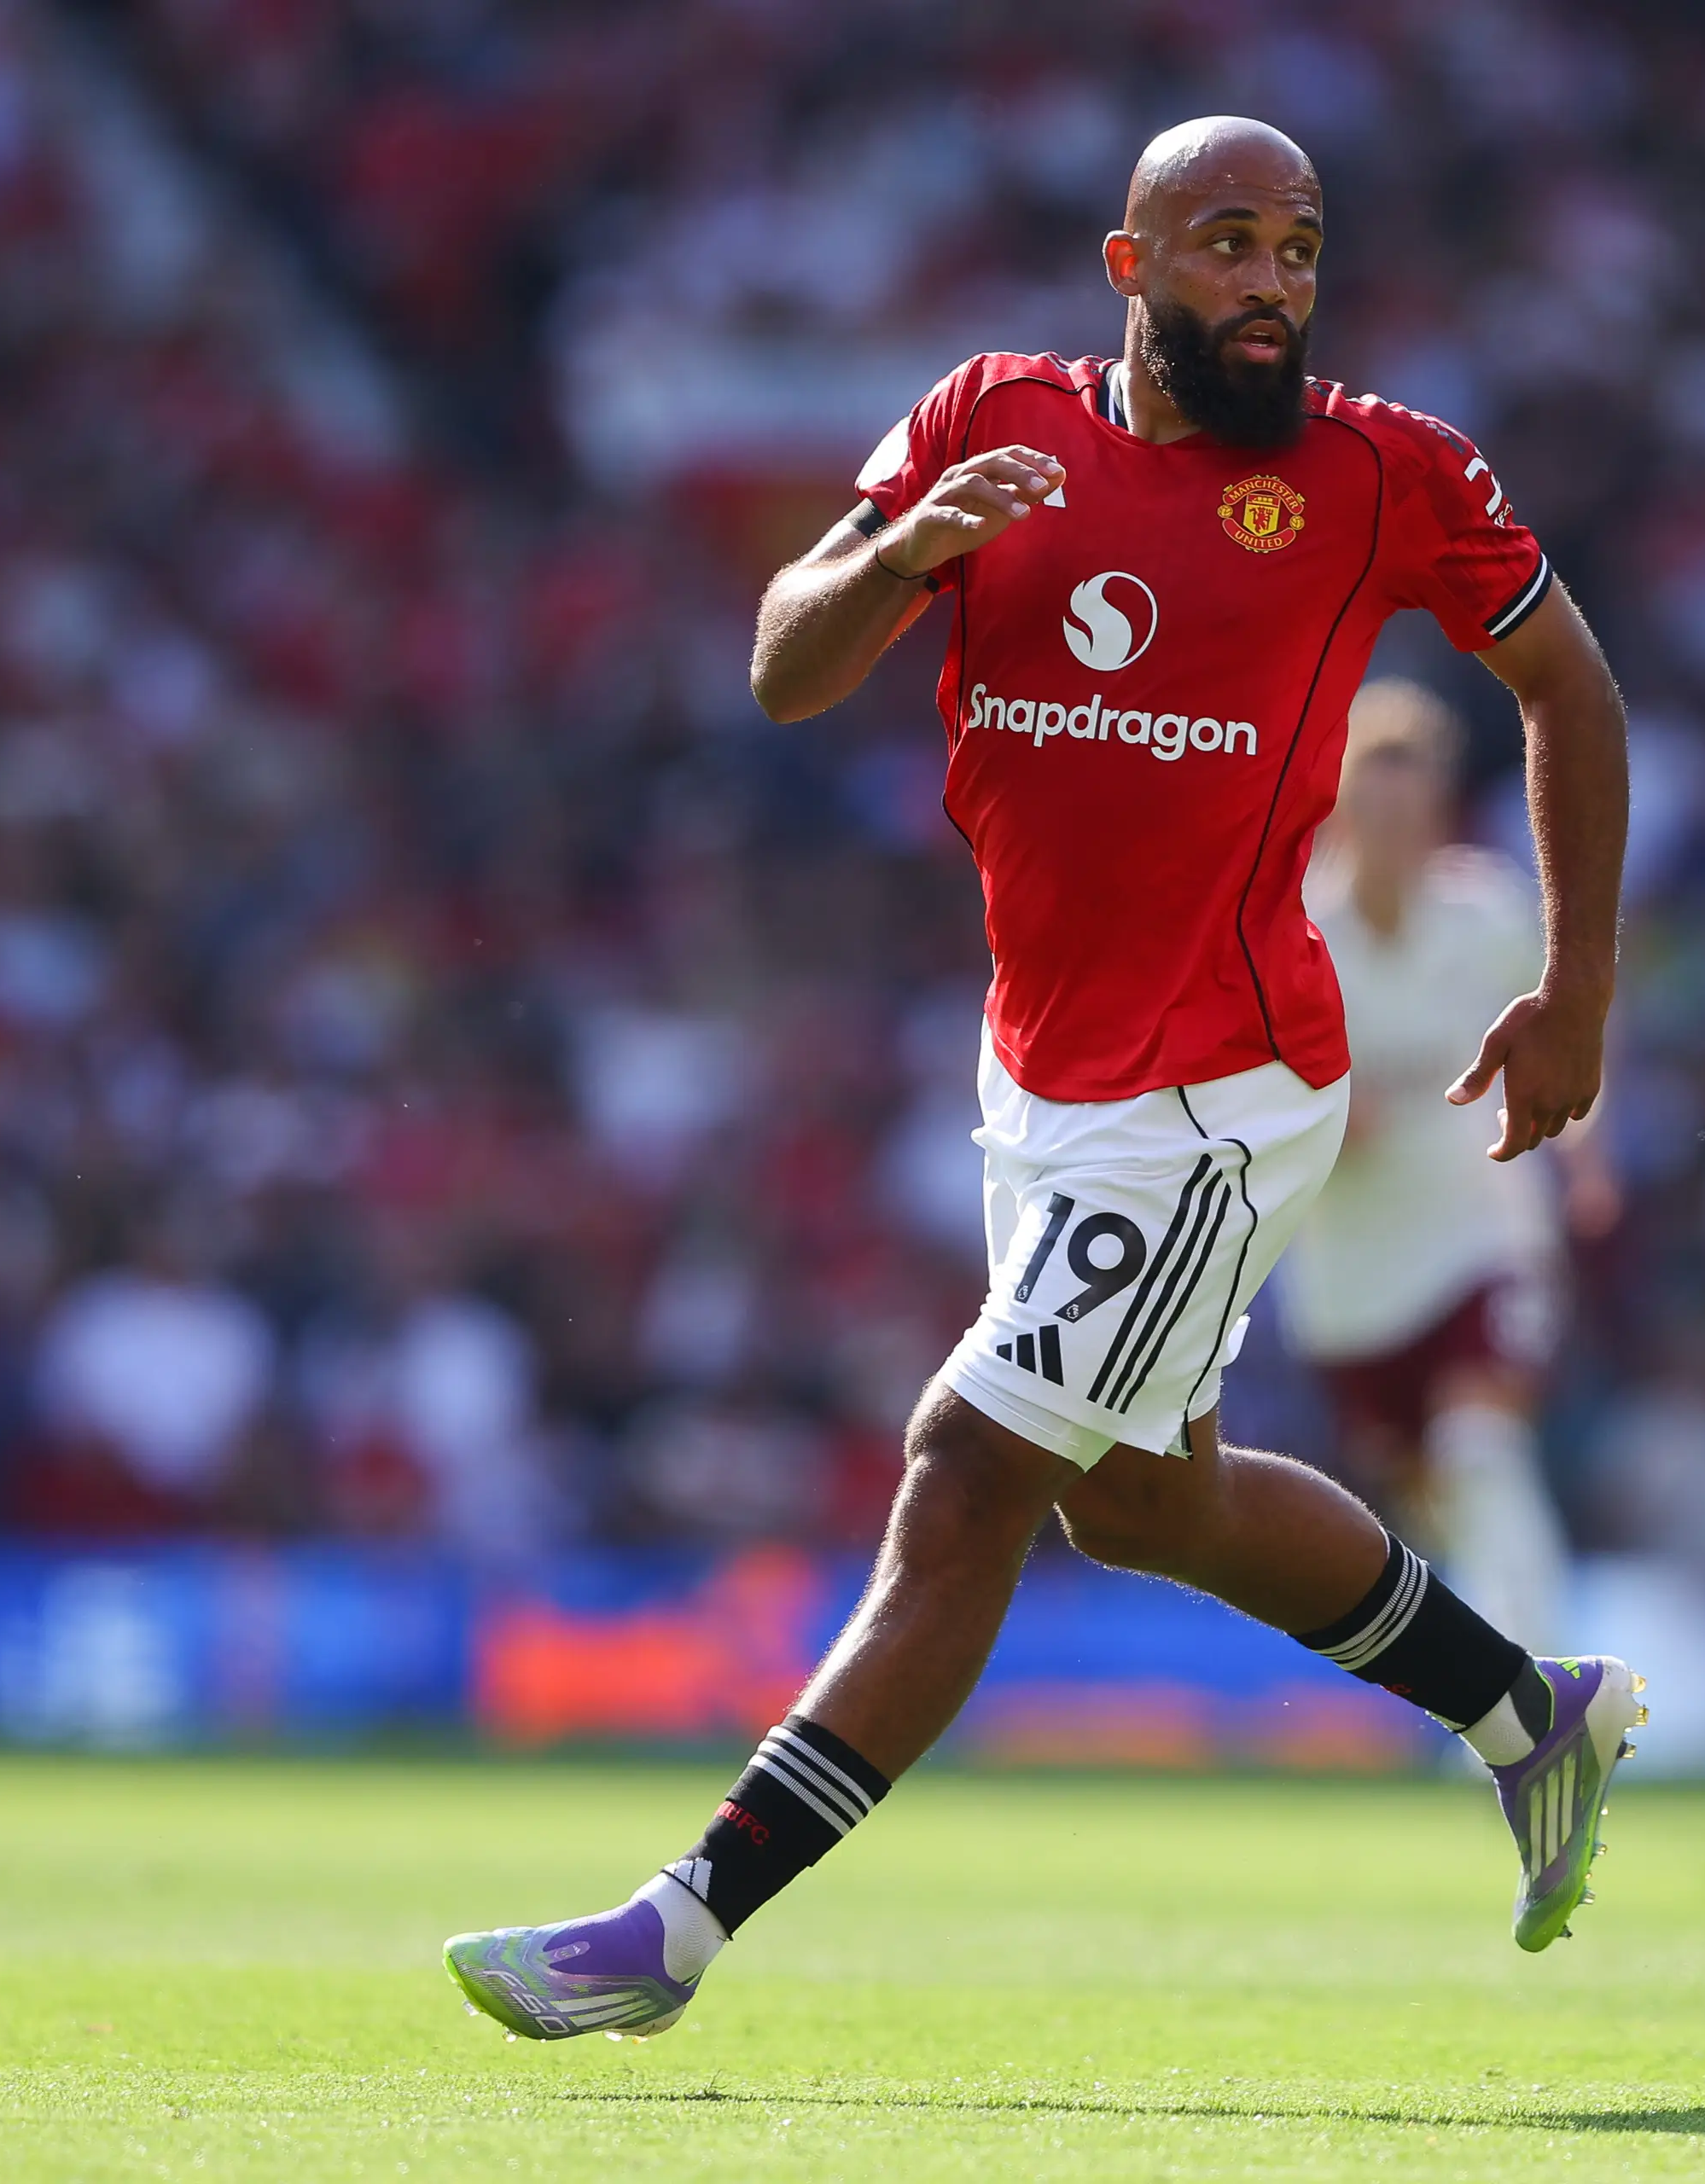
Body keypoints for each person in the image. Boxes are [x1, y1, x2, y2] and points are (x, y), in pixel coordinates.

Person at [444, 116, 1638, 2042]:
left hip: (1221, 1088)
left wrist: (1575, 984)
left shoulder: (1381, 469)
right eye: (1227, 242)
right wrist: (907, 545)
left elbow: (1565, 683)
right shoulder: (985, 421)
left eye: (1298, 248)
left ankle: (674, 1925)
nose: (1268, 282)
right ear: (1130, 261)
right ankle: (1528, 1706)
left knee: (969, 1465)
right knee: (1141, 1508)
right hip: (1043, 1080)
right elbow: (781, 664)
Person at [1283, 679, 1617, 1650]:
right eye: (1374, 806)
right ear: (1341, 807)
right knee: (1428, 1502)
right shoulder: (1296, 935)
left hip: (1482, 1233)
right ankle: (1492, 1674)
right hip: (1350, 1278)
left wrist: (1587, 1144)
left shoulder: (1489, 914)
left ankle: (1544, 1684)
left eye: (1413, 807)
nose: (1394, 830)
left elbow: (1580, 1023)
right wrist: (1325, 1121)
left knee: (1482, 1447)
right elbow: (1243, 1086)